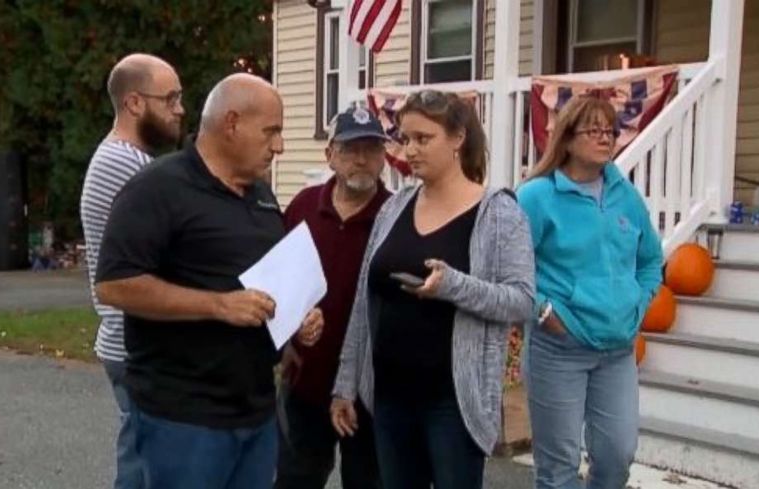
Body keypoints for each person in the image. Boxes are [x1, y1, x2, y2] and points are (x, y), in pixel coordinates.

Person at [94, 73, 323, 489]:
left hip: (255, 410)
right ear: (231, 123)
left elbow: (268, 283)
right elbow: (114, 285)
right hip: (184, 417)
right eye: (271, 132)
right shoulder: (158, 189)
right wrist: (217, 304)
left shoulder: (262, 196)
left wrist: (296, 323)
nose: (280, 146)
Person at [331, 90, 535, 489]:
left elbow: (521, 301)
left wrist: (455, 286)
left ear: (457, 138)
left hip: (453, 403)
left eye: (423, 139)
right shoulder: (394, 207)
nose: (410, 150)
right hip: (390, 398)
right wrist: (346, 383)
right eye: (406, 139)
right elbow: (362, 300)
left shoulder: (498, 213)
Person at [516, 96, 663, 489]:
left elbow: (651, 261)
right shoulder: (537, 197)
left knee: (617, 455)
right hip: (557, 350)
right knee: (559, 467)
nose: (605, 138)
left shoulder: (625, 195)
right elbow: (513, 269)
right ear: (566, 138)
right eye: (593, 130)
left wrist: (639, 302)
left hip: (617, 351)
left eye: (610, 130)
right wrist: (544, 312)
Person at [79, 53, 184, 489]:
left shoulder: (125, 160)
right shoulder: (130, 168)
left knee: (145, 456)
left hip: (128, 342)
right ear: (135, 103)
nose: (180, 109)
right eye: (171, 98)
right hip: (138, 344)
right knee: (147, 465)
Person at [275, 106, 390, 489]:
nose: (361, 159)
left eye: (372, 149)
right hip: (306, 379)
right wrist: (286, 341)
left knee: (367, 482)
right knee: (295, 479)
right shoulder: (303, 207)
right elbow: (279, 282)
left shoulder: (395, 215)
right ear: (330, 155)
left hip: (368, 389)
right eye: (350, 148)